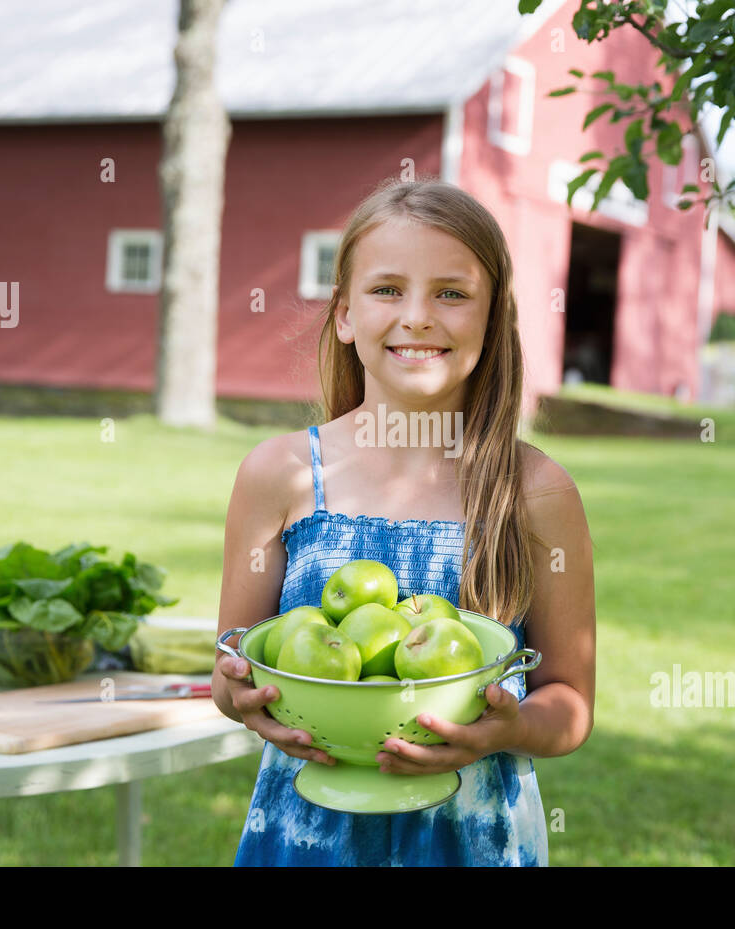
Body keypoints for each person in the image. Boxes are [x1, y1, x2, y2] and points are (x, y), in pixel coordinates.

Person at [212, 176, 596, 866]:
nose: (418, 316)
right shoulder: (279, 474)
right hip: (307, 834)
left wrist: (503, 731)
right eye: (388, 289)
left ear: (491, 317)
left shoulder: (535, 491)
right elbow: (230, 665)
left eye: (451, 293)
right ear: (345, 314)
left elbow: (569, 701)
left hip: (471, 839)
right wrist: (244, 698)